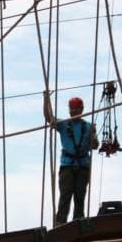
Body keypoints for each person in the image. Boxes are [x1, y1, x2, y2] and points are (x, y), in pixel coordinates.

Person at [44, 91, 99, 225]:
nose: (73, 111)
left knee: (80, 196)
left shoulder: (89, 127)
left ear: (81, 110)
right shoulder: (64, 124)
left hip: (83, 165)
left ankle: (78, 222)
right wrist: (46, 100)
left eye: (76, 109)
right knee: (65, 196)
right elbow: (49, 117)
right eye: (72, 109)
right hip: (68, 165)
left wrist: (93, 139)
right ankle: (60, 224)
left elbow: (95, 145)